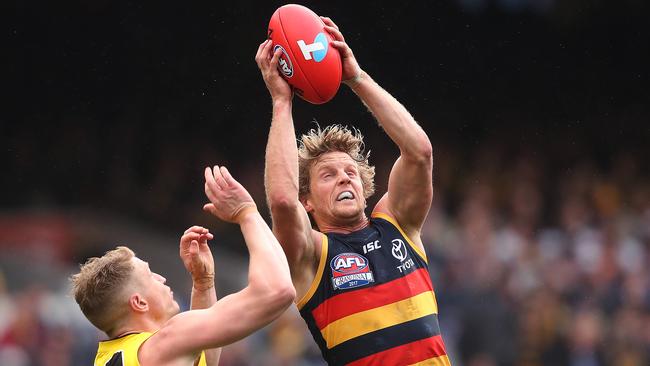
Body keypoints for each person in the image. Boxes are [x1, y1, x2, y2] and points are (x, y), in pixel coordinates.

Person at [256, 16, 451, 365]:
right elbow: (283, 201)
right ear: (309, 202)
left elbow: (419, 152)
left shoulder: (399, 224)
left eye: (350, 172)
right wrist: (282, 103)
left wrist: (356, 78)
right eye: (328, 175)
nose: (345, 178)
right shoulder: (312, 256)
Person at [71, 166, 295, 366]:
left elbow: (203, 356)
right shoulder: (164, 343)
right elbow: (276, 291)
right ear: (139, 302)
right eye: (150, 276)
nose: (162, 279)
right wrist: (247, 213)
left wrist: (203, 284)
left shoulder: (108, 358)